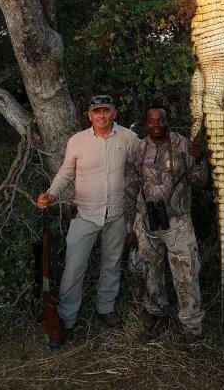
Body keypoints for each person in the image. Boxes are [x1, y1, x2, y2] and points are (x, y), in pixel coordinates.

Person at [37, 95, 138, 334]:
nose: (101, 116)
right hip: (84, 214)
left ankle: (106, 308)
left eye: (105, 110)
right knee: (74, 267)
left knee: (112, 263)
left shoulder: (129, 138)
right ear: (89, 115)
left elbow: (140, 169)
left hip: (117, 214)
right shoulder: (77, 141)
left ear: (114, 113)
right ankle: (66, 319)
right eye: (96, 112)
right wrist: (51, 195)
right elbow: (66, 171)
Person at [126, 103, 207, 341]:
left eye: (160, 120)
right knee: (152, 270)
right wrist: (131, 226)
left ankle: (191, 327)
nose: (156, 125)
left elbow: (200, 182)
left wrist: (200, 160)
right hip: (147, 220)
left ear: (167, 120)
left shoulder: (183, 145)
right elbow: (130, 189)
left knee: (186, 272)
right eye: (151, 121)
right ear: (145, 123)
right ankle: (157, 316)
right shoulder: (138, 149)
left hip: (178, 221)